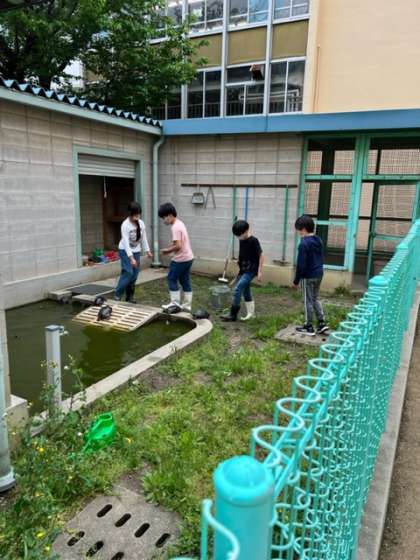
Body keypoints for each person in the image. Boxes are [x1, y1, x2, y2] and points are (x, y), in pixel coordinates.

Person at [221, 220, 264, 322]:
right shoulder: (241, 240)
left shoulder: (254, 240)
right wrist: (239, 269)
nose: (238, 237)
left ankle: (233, 314)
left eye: (239, 235)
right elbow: (242, 254)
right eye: (237, 236)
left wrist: (259, 272)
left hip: (252, 269)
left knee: (238, 289)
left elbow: (261, 256)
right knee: (245, 290)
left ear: (246, 231)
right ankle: (251, 314)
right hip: (244, 269)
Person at [293, 215, 328, 336]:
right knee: (315, 298)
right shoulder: (318, 240)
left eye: (298, 230)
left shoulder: (303, 244)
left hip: (308, 276)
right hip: (319, 273)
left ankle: (308, 326)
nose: (298, 232)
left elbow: (301, 265)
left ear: (303, 229)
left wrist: (296, 280)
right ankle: (322, 323)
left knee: (307, 300)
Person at [159, 202, 194, 312]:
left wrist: (167, 250)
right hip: (189, 257)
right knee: (185, 280)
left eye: (164, 217)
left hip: (181, 259)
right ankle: (187, 305)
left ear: (169, 215)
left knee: (171, 278)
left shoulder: (175, 227)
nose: (164, 220)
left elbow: (178, 246)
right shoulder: (180, 223)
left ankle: (174, 304)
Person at [115, 202, 152, 303]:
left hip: (136, 250)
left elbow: (144, 238)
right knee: (128, 272)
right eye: (135, 214)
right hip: (124, 250)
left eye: (138, 214)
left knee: (134, 274)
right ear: (130, 213)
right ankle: (117, 295)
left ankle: (129, 297)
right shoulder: (125, 225)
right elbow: (126, 243)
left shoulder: (141, 223)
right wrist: (131, 258)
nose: (137, 216)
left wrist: (148, 251)